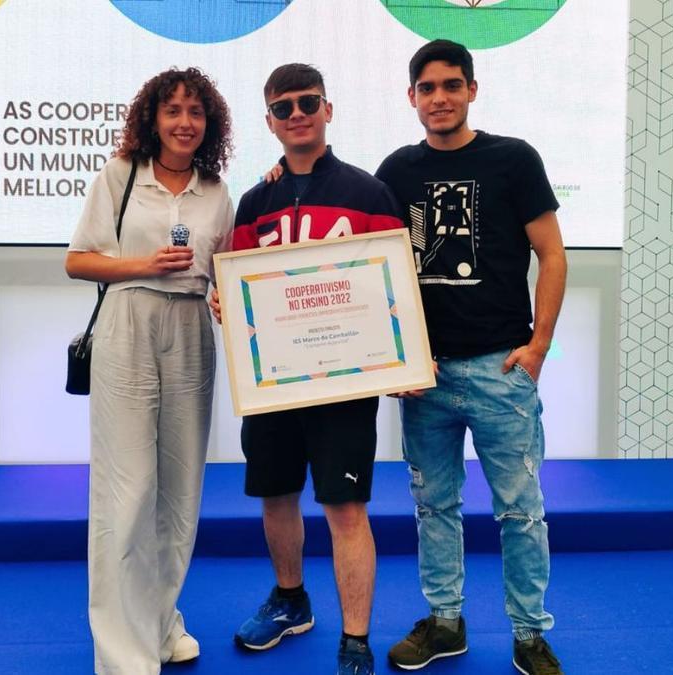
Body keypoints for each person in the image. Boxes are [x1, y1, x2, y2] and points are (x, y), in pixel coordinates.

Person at [375, 40, 567, 675]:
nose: (440, 98)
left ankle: (529, 633)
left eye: (452, 86)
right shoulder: (395, 171)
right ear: (412, 98)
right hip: (424, 375)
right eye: (427, 89)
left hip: (499, 369)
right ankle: (445, 622)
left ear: (472, 90)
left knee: (520, 510)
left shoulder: (514, 159)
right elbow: (363, 265)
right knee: (433, 507)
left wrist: (539, 346)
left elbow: (553, 254)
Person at [210, 63, 403, 675]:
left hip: (345, 386)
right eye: (284, 107)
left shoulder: (368, 193)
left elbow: (395, 291)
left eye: (307, 103)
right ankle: (291, 600)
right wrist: (225, 301)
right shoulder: (255, 200)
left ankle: (355, 640)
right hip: (274, 384)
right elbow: (237, 287)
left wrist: (400, 352)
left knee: (346, 508)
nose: (297, 114)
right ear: (269, 120)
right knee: (275, 494)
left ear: (327, 109)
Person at [65, 67, 234, 675]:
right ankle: (122, 653)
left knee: (180, 493)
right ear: (152, 119)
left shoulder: (217, 190)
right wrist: (144, 265)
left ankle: (161, 625)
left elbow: (228, 274)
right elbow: (77, 262)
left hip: (192, 329)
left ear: (208, 122)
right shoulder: (119, 175)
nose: (185, 122)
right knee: (127, 490)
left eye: (195, 112)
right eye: (173, 111)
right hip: (128, 325)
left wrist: (224, 296)